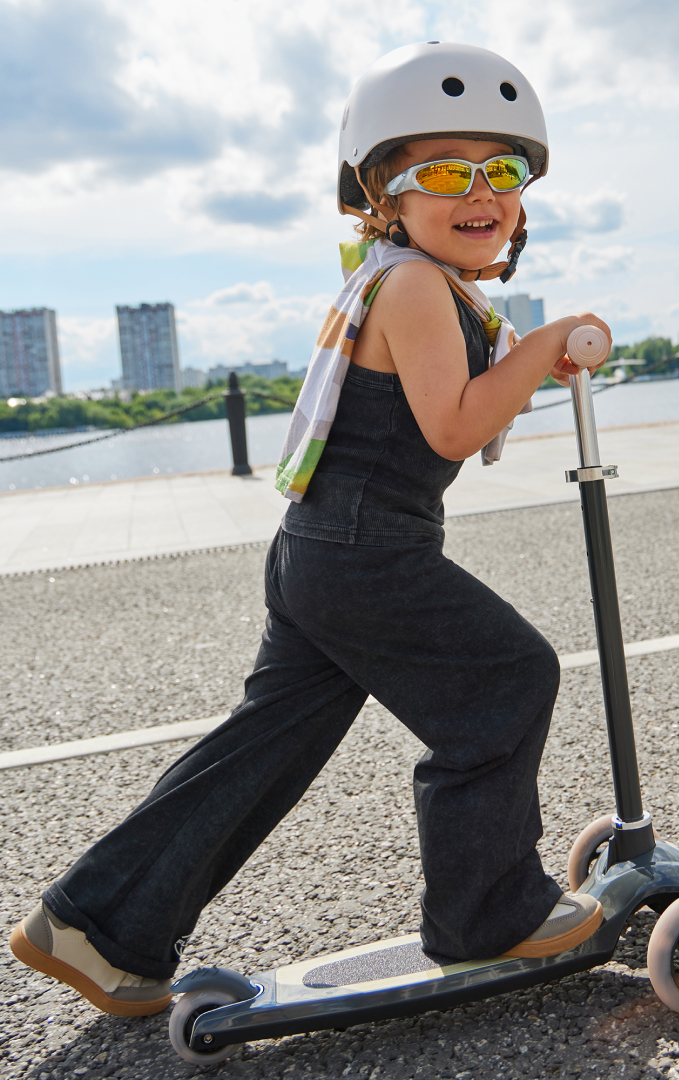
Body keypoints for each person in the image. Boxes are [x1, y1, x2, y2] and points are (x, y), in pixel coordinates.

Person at [9, 41, 611, 1017]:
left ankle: (98, 924)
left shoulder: (425, 283)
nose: (482, 192)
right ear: (385, 195)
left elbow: (462, 397)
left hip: (324, 548)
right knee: (508, 679)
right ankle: (487, 911)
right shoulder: (414, 286)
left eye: (503, 171)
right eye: (447, 173)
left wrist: (528, 354)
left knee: (268, 745)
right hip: (368, 550)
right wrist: (544, 343)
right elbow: (454, 421)